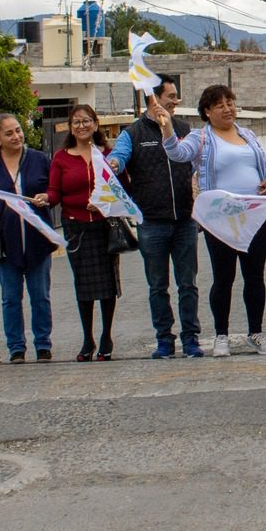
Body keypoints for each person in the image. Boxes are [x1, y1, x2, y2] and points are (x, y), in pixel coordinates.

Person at [153, 84, 266, 357]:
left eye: (230, 103)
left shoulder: (248, 134)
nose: (227, 109)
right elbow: (177, 154)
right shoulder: (200, 138)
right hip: (220, 220)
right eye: (219, 105)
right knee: (224, 278)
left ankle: (255, 333)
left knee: (255, 277)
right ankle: (221, 335)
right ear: (207, 112)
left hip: (252, 216)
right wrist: (166, 127)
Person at [113, 79, 202, 358]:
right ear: (155, 99)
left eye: (176, 96)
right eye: (170, 96)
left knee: (187, 284)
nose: (175, 101)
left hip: (185, 221)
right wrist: (114, 164)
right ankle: (164, 339)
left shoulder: (184, 129)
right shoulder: (133, 133)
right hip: (151, 223)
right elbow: (118, 157)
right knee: (157, 286)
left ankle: (191, 339)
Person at [0, 112, 54, 362]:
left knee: (40, 296)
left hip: (38, 240)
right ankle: (16, 347)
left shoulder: (39, 159)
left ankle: (43, 344)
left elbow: (54, 189)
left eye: (18, 130)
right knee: (10, 297)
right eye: (8, 133)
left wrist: (47, 197)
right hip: (5, 243)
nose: (16, 136)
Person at [50, 103, 122, 361]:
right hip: (76, 227)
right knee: (83, 284)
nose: (81, 126)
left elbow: (122, 189)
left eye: (86, 121)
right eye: (76, 122)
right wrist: (44, 198)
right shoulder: (62, 157)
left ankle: (106, 336)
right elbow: (54, 192)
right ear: (70, 127)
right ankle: (87, 338)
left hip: (105, 226)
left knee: (106, 284)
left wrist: (105, 202)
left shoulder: (108, 154)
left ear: (95, 124)